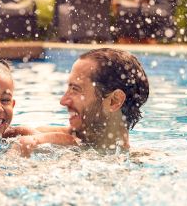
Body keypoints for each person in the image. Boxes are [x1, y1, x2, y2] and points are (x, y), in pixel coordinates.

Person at [16, 48, 149, 156]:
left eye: (75, 89)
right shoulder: (43, 139)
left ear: (114, 101)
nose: (63, 101)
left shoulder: (144, 163)